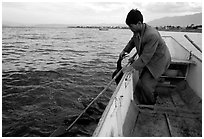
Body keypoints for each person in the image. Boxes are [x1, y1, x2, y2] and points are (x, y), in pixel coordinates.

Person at [120, 9, 171, 105]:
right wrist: (125, 50)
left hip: (159, 61)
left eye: (131, 26)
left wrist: (130, 68)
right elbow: (132, 42)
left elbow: (145, 57)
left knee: (145, 84)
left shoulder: (152, 35)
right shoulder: (138, 31)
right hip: (150, 59)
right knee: (142, 80)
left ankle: (150, 104)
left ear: (139, 23)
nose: (130, 28)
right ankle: (148, 95)